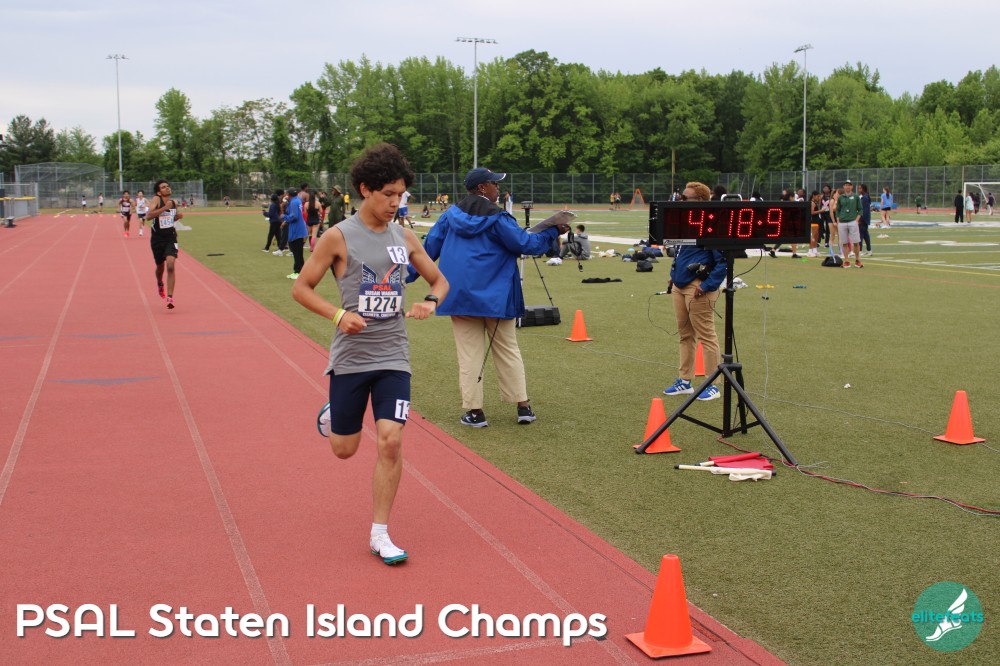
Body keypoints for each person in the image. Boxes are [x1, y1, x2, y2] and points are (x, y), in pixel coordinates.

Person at [292, 142, 448, 566]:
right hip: (351, 357)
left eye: (401, 195)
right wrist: (338, 314)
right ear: (365, 189)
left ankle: (380, 533)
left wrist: (430, 302)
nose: (395, 203)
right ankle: (335, 413)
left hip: (394, 356)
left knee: (391, 440)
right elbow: (301, 288)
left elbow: (439, 281)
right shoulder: (337, 236)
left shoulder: (405, 236)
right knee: (344, 449)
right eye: (388, 194)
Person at [411, 166, 569, 428]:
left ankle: (475, 413)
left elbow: (426, 252)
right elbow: (526, 244)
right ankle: (523, 407)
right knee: (507, 350)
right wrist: (553, 231)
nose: (498, 188)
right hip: (496, 297)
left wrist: (404, 276)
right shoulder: (499, 218)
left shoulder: (449, 216)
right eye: (495, 184)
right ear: (482, 187)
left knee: (469, 355)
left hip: (458, 296)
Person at [662, 182, 727, 401]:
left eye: (685, 197)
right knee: (685, 335)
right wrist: (674, 274)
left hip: (699, 287)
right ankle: (685, 380)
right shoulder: (686, 221)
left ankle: (712, 384)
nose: (680, 200)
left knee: (706, 335)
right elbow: (682, 252)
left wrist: (707, 286)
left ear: (699, 200)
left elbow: (722, 261)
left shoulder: (710, 224)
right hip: (680, 285)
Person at [146, 179, 184, 309]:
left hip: (170, 237)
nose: (167, 188)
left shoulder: (174, 202)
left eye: (168, 186)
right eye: (163, 187)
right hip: (157, 239)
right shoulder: (156, 199)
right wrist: (164, 208)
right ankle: (159, 282)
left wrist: (177, 217)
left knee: (171, 265)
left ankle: (170, 297)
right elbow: (149, 216)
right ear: (158, 192)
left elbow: (170, 219)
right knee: (160, 267)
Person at [836, 179, 863, 268]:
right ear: (844, 187)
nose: (847, 186)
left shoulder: (856, 197)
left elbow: (860, 209)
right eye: (846, 185)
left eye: (849, 185)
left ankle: (857, 260)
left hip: (852, 221)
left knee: (856, 242)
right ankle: (846, 261)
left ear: (852, 186)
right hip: (842, 222)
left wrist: (856, 220)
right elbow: (838, 209)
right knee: (844, 242)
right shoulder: (841, 197)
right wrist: (838, 220)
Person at [283, 187, 309, 279]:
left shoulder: (294, 202)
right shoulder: (297, 200)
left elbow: (294, 216)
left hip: (296, 229)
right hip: (299, 228)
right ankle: (300, 271)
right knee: (297, 251)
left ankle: (298, 272)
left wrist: (284, 217)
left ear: (289, 194)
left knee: (297, 252)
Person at [858, 184, 873, 257]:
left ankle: (860, 250)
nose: (858, 190)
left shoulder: (865, 198)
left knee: (860, 235)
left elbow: (864, 210)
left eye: (860, 188)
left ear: (863, 189)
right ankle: (869, 250)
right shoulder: (865, 197)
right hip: (865, 218)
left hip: (863, 219)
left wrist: (861, 219)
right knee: (865, 235)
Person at [807, 190, 822, 257]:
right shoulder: (812, 203)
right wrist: (821, 211)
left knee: (816, 236)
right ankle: (810, 251)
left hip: (817, 221)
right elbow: (812, 212)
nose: (819, 198)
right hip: (813, 221)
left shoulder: (816, 203)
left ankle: (815, 250)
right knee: (813, 236)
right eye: (817, 196)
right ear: (813, 196)